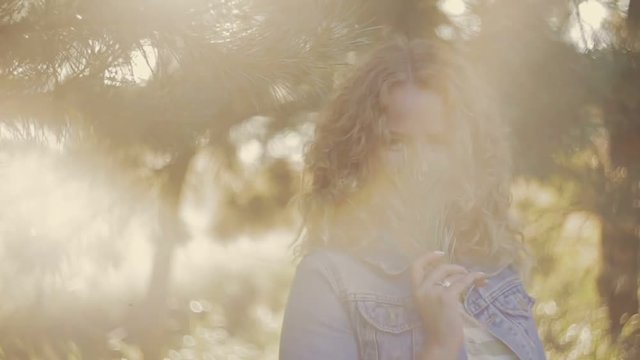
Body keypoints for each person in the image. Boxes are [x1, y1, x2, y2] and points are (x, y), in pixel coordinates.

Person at [278, 37, 546, 360]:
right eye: (396, 143)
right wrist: (440, 348)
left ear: (465, 150)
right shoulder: (329, 280)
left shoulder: (494, 268)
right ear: (361, 151)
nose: (419, 165)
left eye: (436, 142)